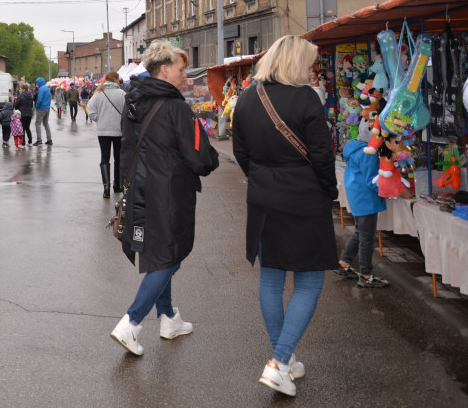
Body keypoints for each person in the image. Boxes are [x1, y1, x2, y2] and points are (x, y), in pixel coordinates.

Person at [231, 35, 338, 398]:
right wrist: (330, 190)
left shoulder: (246, 98)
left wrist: (261, 175)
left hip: (263, 196)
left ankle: (284, 359)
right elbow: (323, 155)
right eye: (309, 63)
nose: (312, 70)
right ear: (295, 63)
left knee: (271, 280)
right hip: (305, 196)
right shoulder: (307, 98)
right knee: (308, 282)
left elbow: (240, 152)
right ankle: (279, 362)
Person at [110, 40, 219, 357]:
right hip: (169, 192)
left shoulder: (133, 101)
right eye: (182, 69)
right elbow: (201, 159)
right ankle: (131, 323)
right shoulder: (176, 108)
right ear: (165, 68)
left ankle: (169, 317)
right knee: (168, 257)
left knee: (161, 254)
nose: (186, 75)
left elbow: (128, 142)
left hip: (141, 188)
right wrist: (209, 155)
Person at [335, 125, 389, 288]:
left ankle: (344, 262)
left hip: (358, 195)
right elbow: (372, 180)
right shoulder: (369, 152)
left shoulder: (354, 147)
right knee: (366, 237)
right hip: (366, 198)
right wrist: (389, 189)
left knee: (360, 232)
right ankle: (365, 275)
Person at [87, 71, 127, 197]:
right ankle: (117, 185)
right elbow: (127, 112)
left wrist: (100, 119)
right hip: (119, 131)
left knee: (104, 158)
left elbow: (90, 110)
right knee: (118, 158)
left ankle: (106, 189)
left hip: (103, 131)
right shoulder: (122, 94)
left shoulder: (98, 93)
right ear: (115, 79)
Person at [33, 77, 53, 145]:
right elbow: (50, 98)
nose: (37, 85)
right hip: (47, 108)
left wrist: (37, 107)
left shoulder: (41, 89)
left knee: (37, 123)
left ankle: (39, 140)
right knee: (46, 123)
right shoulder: (47, 88)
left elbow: (40, 100)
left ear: (39, 83)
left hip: (41, 108)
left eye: (37, 83)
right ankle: (49, 139)